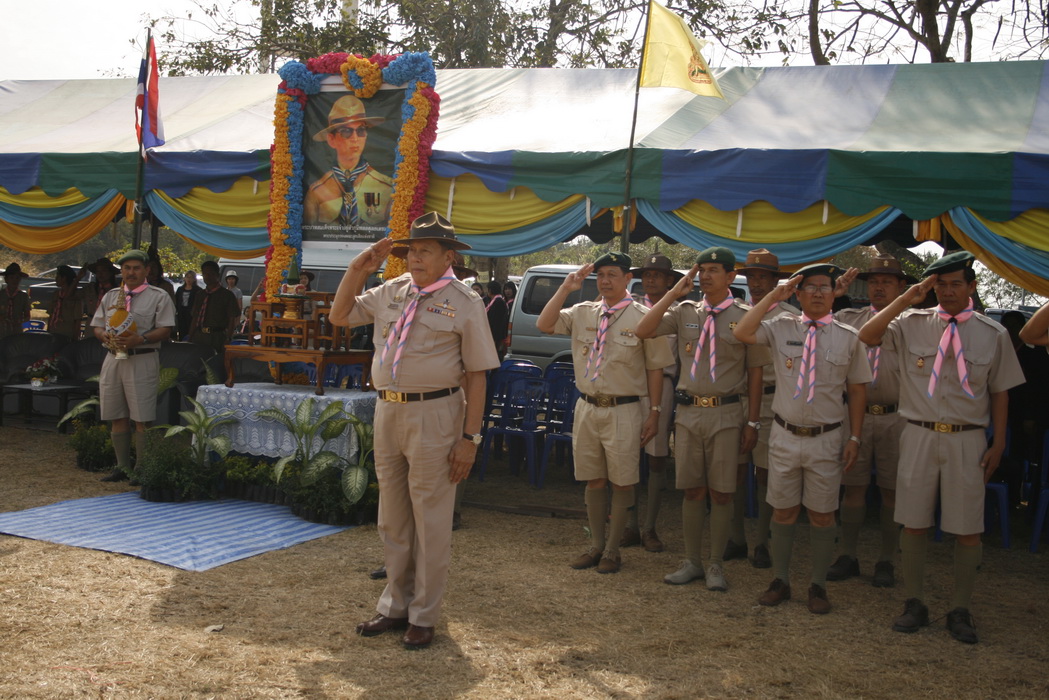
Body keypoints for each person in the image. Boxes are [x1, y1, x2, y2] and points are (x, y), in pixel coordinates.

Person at [329, 212, 498, 650]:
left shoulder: (465, 302)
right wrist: (357, 269)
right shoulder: (393, 290)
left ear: (448, 257)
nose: (415, 258)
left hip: (435, 413)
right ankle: (395, 605)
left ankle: (424, 614)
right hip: (389, 410)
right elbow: (339, 315)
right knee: (393, 517)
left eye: (425, 251)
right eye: (411, 251)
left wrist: (470, 439)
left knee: (431, 518)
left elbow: (478, 375)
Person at [858, 250, 1024, 644]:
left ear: (971, 287)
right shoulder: (911, 323)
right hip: (917, 432)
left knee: (968, 528)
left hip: (967, 438)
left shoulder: (993, 333)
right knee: (913, 521)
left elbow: (1000, 391)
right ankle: (914, 601)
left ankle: (960, 608)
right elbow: (867, 336)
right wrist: (906, 298)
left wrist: (999, 441)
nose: (948, 291)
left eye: (955, 284)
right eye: (941, 285)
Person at [734, 263, 871, 615]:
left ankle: (817, 585)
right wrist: (773, 297)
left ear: (834, 293)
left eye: (825, 287)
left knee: (823, 514)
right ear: (798, 293)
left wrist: (855, 436)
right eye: (810, 287)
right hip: (785, 434)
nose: (818, 293)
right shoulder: (781, 326)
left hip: (827, 437)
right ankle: (780, 580)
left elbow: (857, 391)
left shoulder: (849, 337)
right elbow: (743, 332)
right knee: (783, 509)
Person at [636, 248, 764, 591]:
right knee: (692, 490)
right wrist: (673, 294)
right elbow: (643, 329)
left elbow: (755, 373)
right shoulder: (684, 311)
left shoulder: (745, 316)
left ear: (730, 276)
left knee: (722, 492)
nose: (705, 276)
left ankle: (716, 563)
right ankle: (692, 561)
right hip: (689, 412)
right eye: (701, 270)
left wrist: (752, 422)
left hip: (727, 412)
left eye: (713, 270)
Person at [537, 252, 672, 575]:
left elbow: (655, 369)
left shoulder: (644, 317)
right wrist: (566, 288)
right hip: (587, 406)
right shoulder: (583, 312)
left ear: (628, 279)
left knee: (622, 481)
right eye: (600, 275)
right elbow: (545, 324)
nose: (605, 281)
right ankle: (596, 545)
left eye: (613, 274)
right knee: (593, 479)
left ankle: (613, 549)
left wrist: (654, 412)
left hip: (623, 409)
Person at [824, 254, 916, 588]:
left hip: (897, 416)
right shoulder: (849, 318)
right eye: (874, 282)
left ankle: (886, 560)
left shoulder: (915, 323)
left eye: (887, 282)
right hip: (856, 416)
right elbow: (818, 325)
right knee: (853, 488)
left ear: (901, 286)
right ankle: (847, 554)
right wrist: (832, 295)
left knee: (892, 492)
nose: (879, 287)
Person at [723, 249, 799, 569]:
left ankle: (763, 541)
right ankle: (736, 537)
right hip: (736, 397)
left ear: (775, 281)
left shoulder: (789, 317)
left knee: (766, 471)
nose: (756, 283)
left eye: (763, 277)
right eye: (752, 277)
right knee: (736, 470)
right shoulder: (736, 311)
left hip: (770, 399)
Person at [90, 250, 176, 483]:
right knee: (116, 414)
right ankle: (122, 467)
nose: (131, 272)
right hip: (113, 358)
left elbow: (166, 328)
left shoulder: (158, 296)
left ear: (147, 270)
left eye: (136, 268)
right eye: (127, 268)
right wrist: (103, 335)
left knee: (142, 417)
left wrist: (142, 339)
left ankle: (141, 468)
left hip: (142, 357)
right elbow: (97, 325)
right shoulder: (111, 296)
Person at [623, 253, 684, 553]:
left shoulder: (679, 312)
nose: (650, 279)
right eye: (646, 274)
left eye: (657, 275)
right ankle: (630, 525)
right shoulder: (631, 307)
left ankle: (650, 527)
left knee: (657, 457)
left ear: (669, 280)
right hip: (631, 385)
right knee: (628, 455)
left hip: (665, 386)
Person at [304, 95, 394, 229]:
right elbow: (310, 235)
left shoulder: (386, 188)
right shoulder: (317, 192)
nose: (355, 138)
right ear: (331, 139)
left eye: (361, 130)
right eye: (346, 131)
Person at [187, 260, 240, 355]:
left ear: (217, 275)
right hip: (199, 335)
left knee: (214, 361)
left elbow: (232, 318)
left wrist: (228, 338)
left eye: (211, 274)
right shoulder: (200, 294)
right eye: (205, 274)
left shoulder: (227, 295)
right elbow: (195, 317)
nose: (207, 276)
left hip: (217, 336)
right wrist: (190, 337)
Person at [47, 265, 85, 340]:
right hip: (53, 331)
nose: (56, 279)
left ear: (64, 278)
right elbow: (51, 314)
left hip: (66, 334)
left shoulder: (75, 297)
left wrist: (75, 339)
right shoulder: (56, 294)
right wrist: (48, 331)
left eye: (58, 276)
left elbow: (78, 320)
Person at [1, 262, 31, 337]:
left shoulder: (23, 296)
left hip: (16, 332)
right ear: (6, 279)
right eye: (11, 278)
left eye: (17, 278)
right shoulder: (1, 294)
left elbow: (27, 316)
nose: (15, 280)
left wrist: (20, 322)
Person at [485, 280, 509, 360]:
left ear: (490, 290)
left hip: (496, 335)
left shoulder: (498, 302)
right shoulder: (495, 301)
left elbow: (496, 321)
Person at [175, 271, 201, 341]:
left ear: (194, 279)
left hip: (191, 315)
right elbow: (176, 301)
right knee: (182, 331)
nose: (189, 279)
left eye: (191, 277)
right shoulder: (180, 289)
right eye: (187, 277)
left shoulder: (198, 290)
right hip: (181, 314)